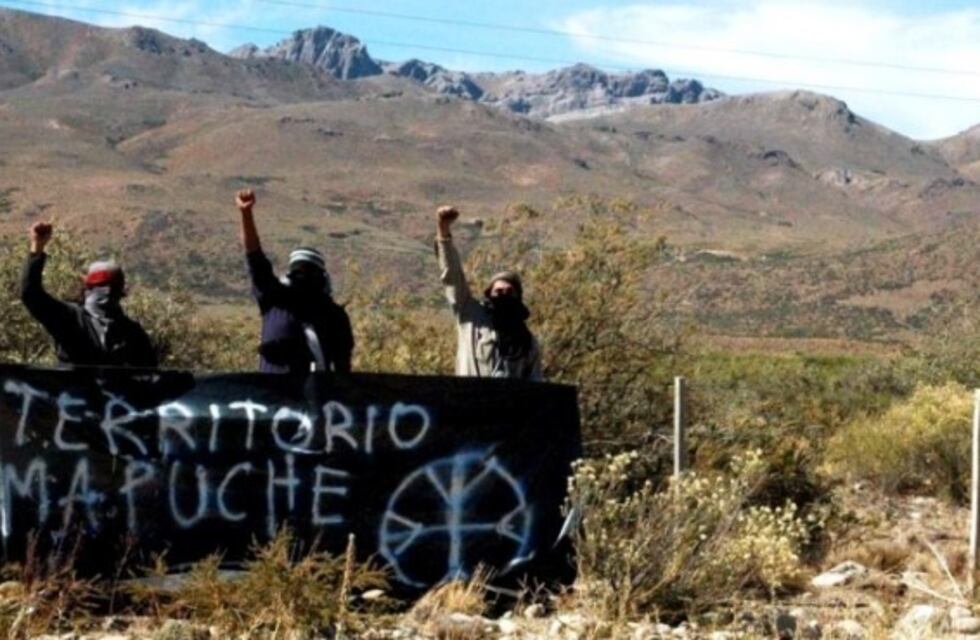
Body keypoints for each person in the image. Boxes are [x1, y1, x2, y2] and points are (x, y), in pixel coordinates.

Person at [235, 189, 354, 374]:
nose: (303, 277)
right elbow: (255, 257)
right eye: (301, 271)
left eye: (308, 272)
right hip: (276, 398)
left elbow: (343, 367)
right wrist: (245, 213)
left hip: (313, 398)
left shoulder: (333, 315)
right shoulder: (275, 298)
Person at [20, 221, 157, 368]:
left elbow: (30, 294)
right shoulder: (133, 333)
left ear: (87, 287)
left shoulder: (68, 318)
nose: (107, 294)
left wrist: (37, 247)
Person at [435, 206, 542, 380]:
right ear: (489, 293)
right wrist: (443, 229)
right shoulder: (471, 315)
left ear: (518, 297)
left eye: (509, 291)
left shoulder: (527, 342)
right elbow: (452, 276)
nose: (503, 295)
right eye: (498, 291)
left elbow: (535, 384)